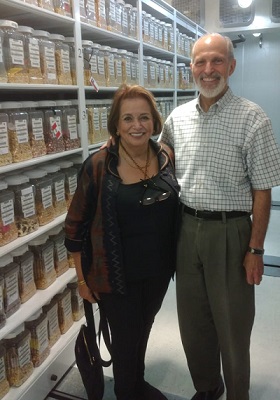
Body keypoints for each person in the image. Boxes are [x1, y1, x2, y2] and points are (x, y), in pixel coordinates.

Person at [159, 33, 280, 400]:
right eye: (200, 62)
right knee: (193, 324)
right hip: (186, 228)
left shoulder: (253, 119)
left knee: (232, 326)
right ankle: (207, 389)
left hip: (231, 232)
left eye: (216, 61)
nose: (208, 70)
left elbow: (263, 190)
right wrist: (118, 140)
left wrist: (255, 249)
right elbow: (159, 156)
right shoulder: (177, 118)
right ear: (191, 68)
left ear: (231, 65)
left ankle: (237, 394)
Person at [64, 84, 180, 400]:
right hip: (115, 279)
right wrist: (82, 279)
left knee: (143, 330)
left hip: (157, 272)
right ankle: (128, 391)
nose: (137, 125)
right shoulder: (99, 166)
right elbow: (74, 228)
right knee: (126, 340)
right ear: (116, 124)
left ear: (155, 122)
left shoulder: (165, 156)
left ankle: (136, 382)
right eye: (127, 119)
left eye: (144, 117)